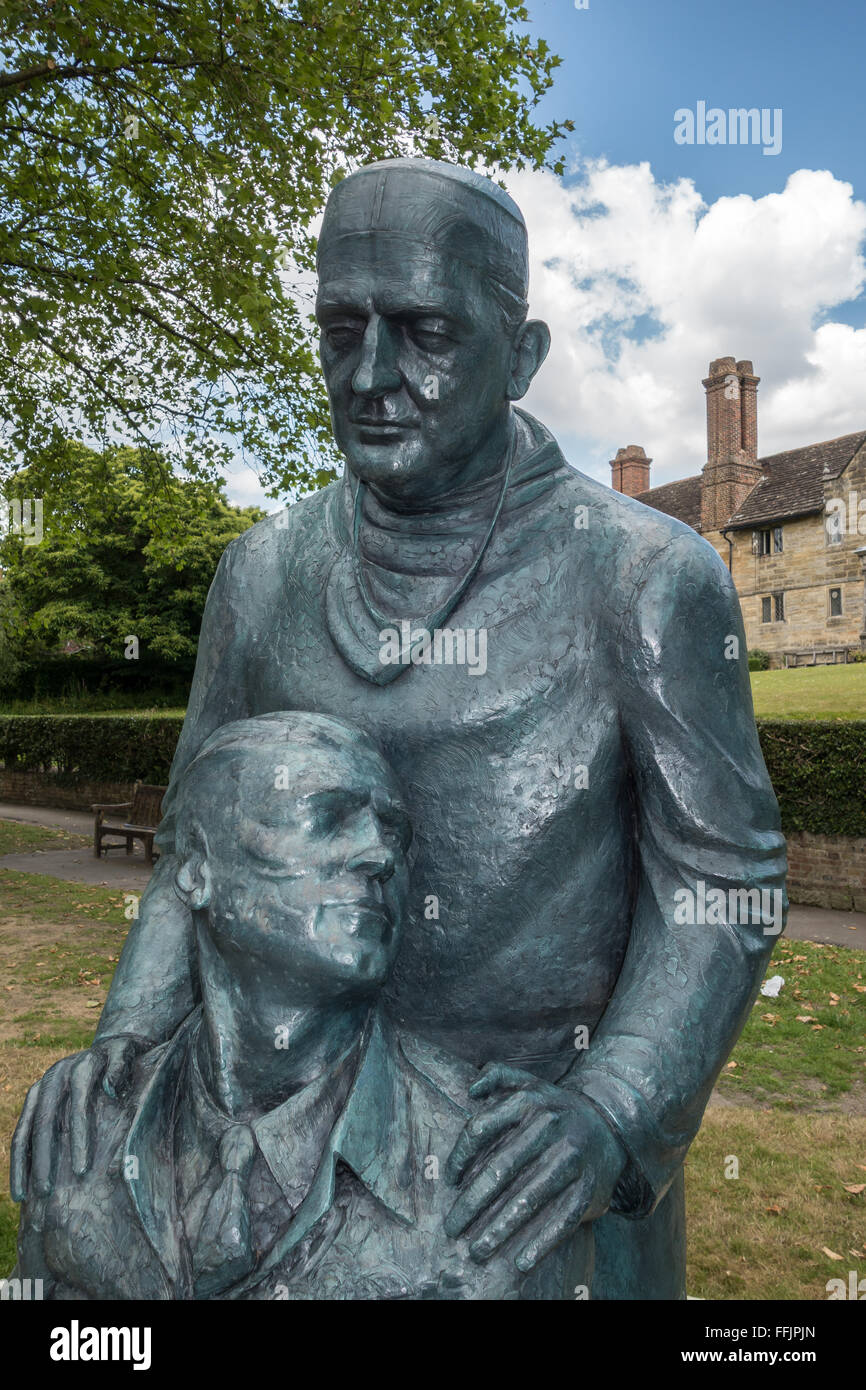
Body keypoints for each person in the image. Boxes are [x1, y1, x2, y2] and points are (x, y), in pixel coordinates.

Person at [12, 158, 787, 1299]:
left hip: (527, 1175)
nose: (370, 376)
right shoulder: (264, 574)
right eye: (340, 329)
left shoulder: (641, 578)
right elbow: (193, 849)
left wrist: (612, 1114)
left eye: (425, 331)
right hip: (292, 1168)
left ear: (518, 357)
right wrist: (128, 1044)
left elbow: (722, 876)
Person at [14, 712, 592, 1299]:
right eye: (326, 818)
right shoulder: (83, 1131)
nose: (379, 855)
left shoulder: (493, 1182)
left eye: (394, 833)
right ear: (195, 871)